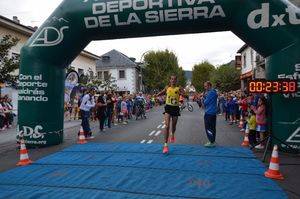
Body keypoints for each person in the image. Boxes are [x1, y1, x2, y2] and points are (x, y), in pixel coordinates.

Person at [156, 75, 185, 154]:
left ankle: (172, 134)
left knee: (173, 126)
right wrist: (157, 95)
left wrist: (181, 93)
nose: (173, 80)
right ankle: (165, 145)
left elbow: (186, 95)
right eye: (172, 79)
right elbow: (162, 92)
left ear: (176, 81)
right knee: (167, 126)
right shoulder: (167, 87)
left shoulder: (179, 88)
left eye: (174, 79)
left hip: (175, 108)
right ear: (170, 80)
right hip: (168, 107)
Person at [202, 81, 218, 147]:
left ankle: (211, 141)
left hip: (209, 112)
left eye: (206, 86)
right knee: (213, 127)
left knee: (208, 128)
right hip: (214, 113)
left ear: (209, 86)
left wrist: (203, 99)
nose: (205, 88)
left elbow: (205, 103)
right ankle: (213, 141)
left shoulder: (210, 93)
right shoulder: (214, 92)